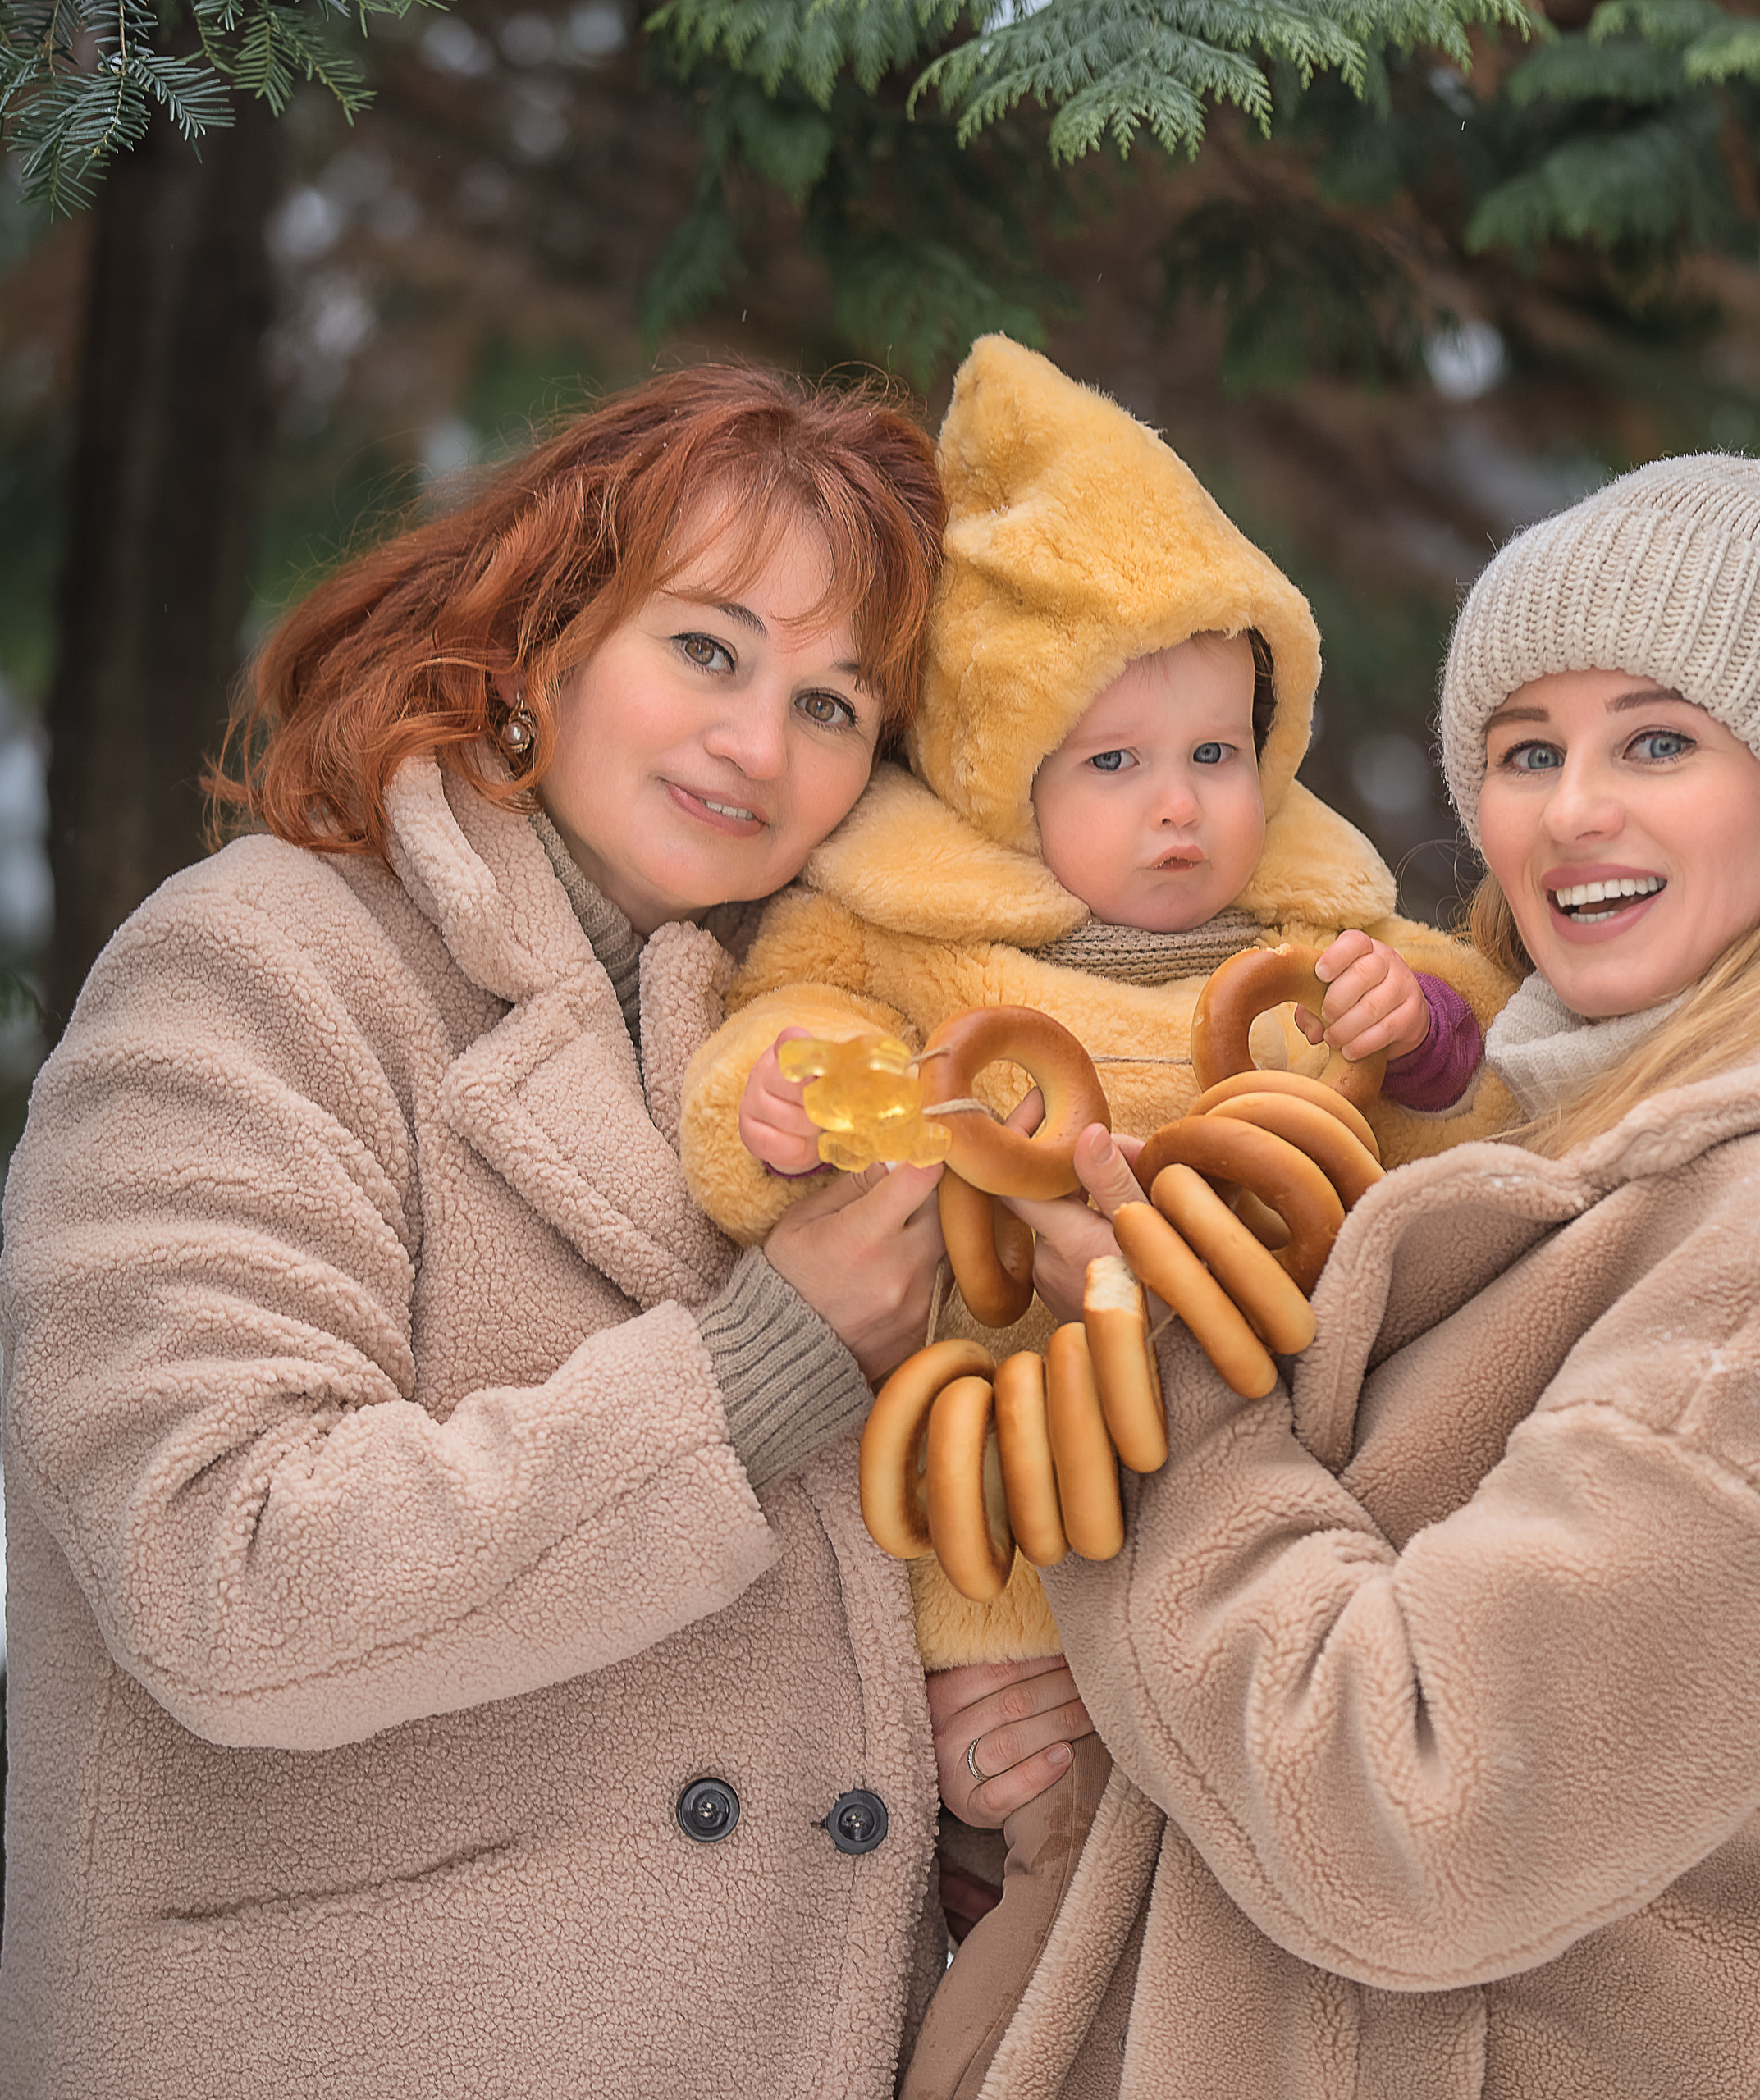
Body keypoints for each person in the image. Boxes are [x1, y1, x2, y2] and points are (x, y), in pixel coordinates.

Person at [0, 366, 1043, 2100]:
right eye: (704, 649)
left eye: (831, 704)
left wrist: (975, 1762)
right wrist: (755, 1368)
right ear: (540, 636)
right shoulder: (259, 968)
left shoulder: (800, 1060)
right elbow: (221, 1565)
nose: (757, 744)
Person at [955, 449, 1760, 2097]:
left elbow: (1412, 1818)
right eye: (1527, 750)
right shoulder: (1530, 1145)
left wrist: (1158, 1369)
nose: (1572, 807)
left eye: (1655, 740)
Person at [677, 337, 1514, 2099]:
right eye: (1114, 759)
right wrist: (787, 1101)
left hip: (1276, 1518)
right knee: (1042, 1924)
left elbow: (1490, 1093)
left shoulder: (1313, 940)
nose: (1180, 804)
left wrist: (1419, 1034)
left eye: (1216, 749)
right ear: (1003, 773)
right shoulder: (917, 929)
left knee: (1251, 1930)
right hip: (1009, 1528)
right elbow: (787, 1022)